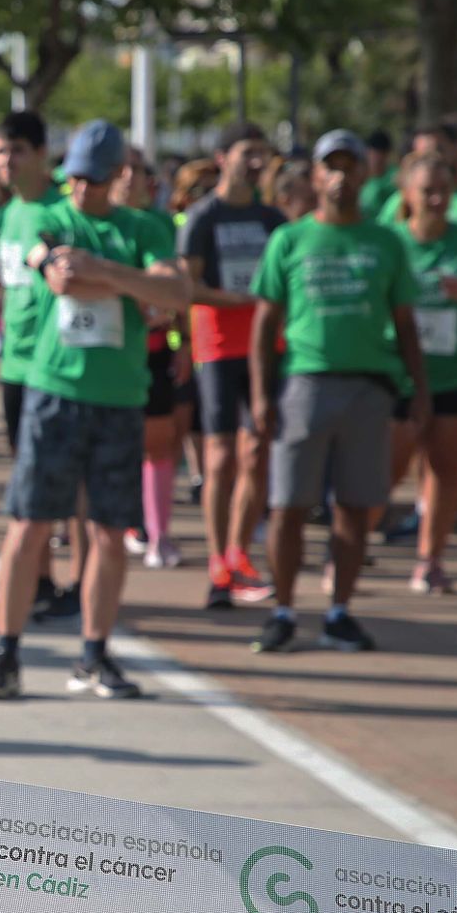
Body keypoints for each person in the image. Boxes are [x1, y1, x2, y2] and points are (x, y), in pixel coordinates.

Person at [0, 119, 188, 701]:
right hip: (55, 393)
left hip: (119, 401)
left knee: (109, 532)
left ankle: (95, 654)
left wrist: (111, 274)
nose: (82, 191)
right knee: (29, 524)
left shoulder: (144, 229)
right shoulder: (54, 218)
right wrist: (136, 287)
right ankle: (6, 652)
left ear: (120, 177)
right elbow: (63, 277)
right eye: (74, 179)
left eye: (94, 180)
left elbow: (175, 294)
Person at [249, 130, 430, 653]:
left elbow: (405, 320)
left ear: (364, 175)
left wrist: (419, 390)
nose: (341, 176)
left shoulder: (385, 241)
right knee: (288, 504)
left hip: (369, 387)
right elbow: (265, 323)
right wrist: (262, 395)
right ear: (316, 175)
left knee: (356, 505)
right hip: (305, 383)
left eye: (351, 167)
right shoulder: (291, 239)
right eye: (332, 166)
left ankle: (338, 611)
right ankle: (283, 610)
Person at [179, 122, 286, 609]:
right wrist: (234, 299)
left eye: (262, 154)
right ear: (223, 158)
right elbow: (186, 288)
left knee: (257, 453)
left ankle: (239, 555)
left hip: (266, 348)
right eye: (248, 153)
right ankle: (217, 562)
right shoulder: (203, 217)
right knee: (219, 457)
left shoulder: (272, 218)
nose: (256, 163)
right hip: (218, 346)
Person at [387, 153, 457, 593]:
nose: (436, 200)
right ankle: (345, 552)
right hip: (398, 374)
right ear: (407, 195)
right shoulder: (389, 242)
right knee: (385, 471)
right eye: (427, 191)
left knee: (445, 467)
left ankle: (429, 560)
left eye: (443, 192)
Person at [0, 109, 79, 620]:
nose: (6, 161)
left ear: (41, 155)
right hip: (14, 366)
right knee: (28, 478)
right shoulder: (9, 213)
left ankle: (79, 581)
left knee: (67, 484)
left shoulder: (58, 210)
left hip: (54, 368)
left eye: (17, 151)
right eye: (1, 152)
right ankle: (41, 581)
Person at [111, 145, 189, 570]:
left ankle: (158, 534)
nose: (127, 177)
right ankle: (117, 522)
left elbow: (178, 291)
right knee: (114, 444)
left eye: (136, 170)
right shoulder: (92, 225)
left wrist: (183, 342)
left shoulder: (160, 225)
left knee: (159, 443)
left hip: (155, 351)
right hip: (105, 357)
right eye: (119, 169)